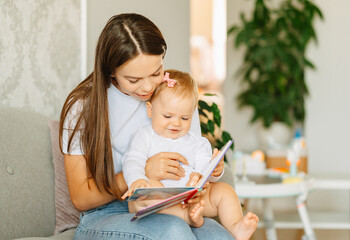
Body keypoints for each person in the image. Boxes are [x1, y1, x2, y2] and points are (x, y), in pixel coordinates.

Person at [59, 13, 235, 240]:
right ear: (111, 70)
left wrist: (203, 175)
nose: (148, 87)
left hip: (170, 204)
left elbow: (194, 158)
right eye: (134, 80)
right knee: (174, 232)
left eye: (156, 73)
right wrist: (142, 173)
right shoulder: (83, 107)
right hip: (104, 213)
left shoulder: (169, 95)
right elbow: (81, 198)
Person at [122, 70, 259, 240]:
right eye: (167, 116)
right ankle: (186, 217)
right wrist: (136, 179)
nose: (176, 123)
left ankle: (236, 226)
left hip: (194, 200)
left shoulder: (197, 142)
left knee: (225, 190)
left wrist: (212, 172)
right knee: (144, 193)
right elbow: (132, 159)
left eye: (185, 118)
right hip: (160, 201)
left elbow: (205, 168)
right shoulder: (145, 136)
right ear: (150, 110)